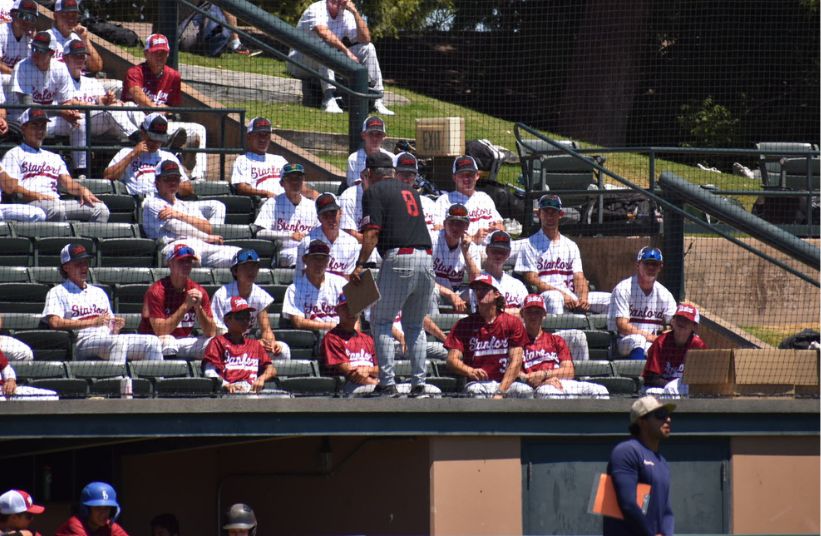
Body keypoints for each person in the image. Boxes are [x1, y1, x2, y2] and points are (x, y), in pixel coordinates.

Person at [352, 152, 434, 397]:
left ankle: (387, 384)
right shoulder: (411, 192)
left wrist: (359, 264)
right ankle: (419, 384)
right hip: (426, 260)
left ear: (370, 173)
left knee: (381, 321)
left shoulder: (374, 192)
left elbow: (371, 234)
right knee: (414, 325)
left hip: (400, 260)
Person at [42, 243, 163, 363]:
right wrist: (92, 322)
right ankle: (118, 381)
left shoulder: (98, 292)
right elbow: (55, 323)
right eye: (78, 264)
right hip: (81, 342)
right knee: (118, 342)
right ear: (66, 267)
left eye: (85, 263)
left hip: (107, 340)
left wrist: (115, 328)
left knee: (152, 342)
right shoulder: (57, 291)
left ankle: (158, 380)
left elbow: (109, 324)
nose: (84, 268)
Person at [105, 113, 225, 223]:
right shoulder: (125, 152)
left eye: (159, 139)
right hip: (147, 204)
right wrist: (133, 155)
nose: (155, 143)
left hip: (174, 204)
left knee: (217, 206)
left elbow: (188, 189)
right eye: (152, 138)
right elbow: (107, 176)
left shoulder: (168, 156)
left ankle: (212, 242)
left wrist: (172, 185)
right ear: (143, 133)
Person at [121, 33, 207, 179]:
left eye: (164, 53)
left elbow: (172, 105)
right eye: (156, 53)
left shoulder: (173, 76)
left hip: (162, 126)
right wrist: (155, 108)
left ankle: (199, 177)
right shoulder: (135, 72)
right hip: (137, 126)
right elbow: (136, 93)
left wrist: (165, 109)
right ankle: (169, 140)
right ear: (146, 53)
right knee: (130, 107)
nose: (160, 56)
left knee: (199, 129)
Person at [1, 107, 109, 222]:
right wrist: (36, 195)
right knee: (56, 210)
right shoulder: (14, 154)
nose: (40, 131)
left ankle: (84, 240)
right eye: (34, 126)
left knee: (101, 210)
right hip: (29, 204)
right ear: (23, 128)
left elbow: (68, 183)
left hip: (55, 202)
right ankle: (59, 240)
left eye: (43, 126)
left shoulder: (54, 157)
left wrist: (82, 190)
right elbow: (10, 188)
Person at [288, 0, 393, 115]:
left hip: (327, 61)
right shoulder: (316, 8)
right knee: (325, 48)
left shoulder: (346, 15)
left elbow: (365, 39)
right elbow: (324, 33)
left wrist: (355, 12)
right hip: (300, 62)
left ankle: (377, 99)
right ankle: (328, 99)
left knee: (369, 48)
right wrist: (346, 51)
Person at [515, 194, 610, 314]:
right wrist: (562, 294)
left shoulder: (570, 245)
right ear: (539, 214)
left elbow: (579, 276)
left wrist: (583, 297)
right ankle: (558, 332)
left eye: (553, 212)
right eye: (546, 212)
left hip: (570, 295)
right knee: (555, 298)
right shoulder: (529, 244)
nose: (550, 216)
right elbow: (531, 278)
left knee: (610, 299)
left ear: (560, 215)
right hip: (545, 296)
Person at [61, 38, 141, 175]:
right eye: (76, 56)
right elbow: (66, 103)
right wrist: (100, 105)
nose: (80, 59)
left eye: (82, 56)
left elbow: (102, 101)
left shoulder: (91, 82)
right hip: (71, 122)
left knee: (130, 105)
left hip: (96, 122)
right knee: (86, 119)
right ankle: (139, 138)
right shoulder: (60, 79)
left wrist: (108, 99)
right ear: (65, 58)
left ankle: (146, 133)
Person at [445, 275, 530, 398]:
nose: (479, 292)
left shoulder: (512, 322)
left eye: (484, 289)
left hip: (506, 382)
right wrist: (470, 371)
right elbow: (451, 360)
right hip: (479, 383)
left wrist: (500, 391)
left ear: (496, 294)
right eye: (477, 289)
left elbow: (516, 362)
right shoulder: (464, 324)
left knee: (524, 391)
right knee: (474, 391)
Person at [142, 160, 239, 268]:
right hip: (173, 246)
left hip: (201, 244)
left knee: (239, 255)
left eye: (176, 178)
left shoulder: (186, 205)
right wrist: (207, 238)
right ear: (157, 182)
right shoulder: (152, 203)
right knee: (189, 259)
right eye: (167, 179)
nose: (173, 182)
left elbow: (207, 228)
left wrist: (179, 215)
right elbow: (177, 227)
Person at [603, 396, 675, 536]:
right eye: (660, 415)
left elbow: (666, 510)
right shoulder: (626, 452)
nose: (668, 419)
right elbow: (628, 504)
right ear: (642, 421)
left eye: (668, 415)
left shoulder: (662, 461)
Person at [519, 294, 609, 398]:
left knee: (600, 391)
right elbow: (517, 374)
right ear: (522, 314)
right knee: (549, 393)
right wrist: (540, 381)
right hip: (539, 388)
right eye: (529, 312)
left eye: (537, 312)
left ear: (544, 314)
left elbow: (569, 371)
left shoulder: (556, 340)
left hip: (561, 382)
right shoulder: (516, 343)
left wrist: (545, 375)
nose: (533, 316)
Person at [138, 244, 216, 358]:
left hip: (184, 341)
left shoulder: (198, 291)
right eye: (181, 261)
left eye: (189, 261)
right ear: (170, 263)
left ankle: (211, 375)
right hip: (154, 343)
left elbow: (211, 332)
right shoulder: (157, 291)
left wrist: (198, 308)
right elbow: (161, 331)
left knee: (214, 343)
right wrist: (185, 306)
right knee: (168, 341)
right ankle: (170, 375)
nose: (186, 265)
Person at [210, 249, 291, 359]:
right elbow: (219, 332)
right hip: (226, 344)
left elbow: (266, 329)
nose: (250, 271)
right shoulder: (221, 295)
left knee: (283, 349)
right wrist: (253, 343)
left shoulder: (260, 294)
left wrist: (271, 343)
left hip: (246, 344)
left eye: (254, 267)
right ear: (235, 271)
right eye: (245, 267)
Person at [608, 247, 677, 360]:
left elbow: (675, 323)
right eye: (647, 263)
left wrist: (668, 333)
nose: (651, 267)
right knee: (638, 340)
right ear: (638, 265)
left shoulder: (665, 294)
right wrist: (651, 337)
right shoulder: (624, 289)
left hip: (651, 342)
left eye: (655, 264)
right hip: (623, 341)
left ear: (660, 267)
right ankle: (637, 376)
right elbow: (622, 326)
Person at [203, 296, 280, 395]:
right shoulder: (217, 342)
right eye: (240, 317)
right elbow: (209, 370)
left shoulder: (255, 344)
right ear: (227, 320)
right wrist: (225, 384)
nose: (245, 321)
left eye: (247, 317)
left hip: (252, 392)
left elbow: (271, 369)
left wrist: (261, 379)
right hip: (228, 393)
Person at [254, 163, 319, 268]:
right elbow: (259, 233)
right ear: (282, 183)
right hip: (285, 251)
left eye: (299, 178)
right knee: (296, 257)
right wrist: (290, 235)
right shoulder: (273, 203)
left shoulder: (312, 206)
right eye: (290, 178)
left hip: (310, 251)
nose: (295, 182)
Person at [433, 155, 504, 244]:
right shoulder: (445, 200)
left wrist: (497, 227)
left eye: (470, 175)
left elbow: (500, 224)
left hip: (491, 250)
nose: (466, 179)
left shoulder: (484, 198)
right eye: (462, 175)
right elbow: (438, 230)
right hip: (461, 251)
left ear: (477, 176)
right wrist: (473, 238)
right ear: (454, 178)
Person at [643, 303, 707, 397]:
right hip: (659, 388)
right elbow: (651, 378)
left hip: (684, 388)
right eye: (679, 318)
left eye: (686, 320)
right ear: (673, 321)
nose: (681, 322)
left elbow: (703, 378)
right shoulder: (661, 342)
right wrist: (671, 387)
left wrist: (675, 387)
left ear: (694, 326)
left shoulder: (698, 346)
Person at [282, 240, 346, 330]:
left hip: (343, 337)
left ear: (328, 261)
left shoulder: (341, 283)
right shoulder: (294, 290)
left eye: (323, 258)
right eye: (315, 258)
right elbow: (298, 322)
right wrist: (334, 327)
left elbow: (355, 314)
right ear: (305, 259)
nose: (319, 263)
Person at [430, 203, 481, 313]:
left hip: (458, 292)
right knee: (429, 291)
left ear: (467, 226)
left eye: (460, 223)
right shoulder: (432, 240)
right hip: (436, 291)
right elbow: (424, 278)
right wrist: (450, 295)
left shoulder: (472, 248)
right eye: (452, 222)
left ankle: (474, 326)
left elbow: (477, 280)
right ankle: (433, 329)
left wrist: (465, 252)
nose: (455, 227)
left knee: (480, 291)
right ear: (444, 224)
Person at [295, 192, 359, 278]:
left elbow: (348, 279)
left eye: (333, 213)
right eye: (325, 215)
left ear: (340, 213)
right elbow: (300, 277)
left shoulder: (351, 243)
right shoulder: (307, 242)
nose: (330, 219)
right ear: (319, 218)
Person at [468, 230, 527, 314]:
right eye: (495, 251)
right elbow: (484, 315)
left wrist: (499, 311)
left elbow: (527, 315)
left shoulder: (518, 285)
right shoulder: (479, 283)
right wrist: (516, 312)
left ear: (509, 253)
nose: (499, 255)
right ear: (487, 250)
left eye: (503, 252)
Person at [231, 116, 286, 198]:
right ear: (249, 137)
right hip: (263, 203)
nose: (263, 140)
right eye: (259, 135)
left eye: (266, 135)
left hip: (286, 203)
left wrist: (310, 192)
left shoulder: (280, 160)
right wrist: (265, 193)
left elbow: (295, 181)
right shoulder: (243, 160)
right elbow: (242, 188)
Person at [46, 0, 103, 72]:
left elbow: (97, 67)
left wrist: (85, 40)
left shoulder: (78, 38)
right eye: (65, 15)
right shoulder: (47, 38)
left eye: (73, 15)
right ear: (55, 16)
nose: (70, 20)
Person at [55, 482, 129, 536]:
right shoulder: (74, 525)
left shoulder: (109, 526)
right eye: (98, 508)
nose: (104, 513)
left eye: (107, 508)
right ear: (87, 510)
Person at [394, 151, 438, 236]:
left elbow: (439, 227)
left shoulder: (428, 204)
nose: (406, 179)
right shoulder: (386, 203)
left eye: (410, 175)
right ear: (394, 174)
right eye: (402, 174)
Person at [344, 116, 395, 188]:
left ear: (384, 137)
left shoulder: (391, 158)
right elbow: (353, 186)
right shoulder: (354, 159)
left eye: (378, 134)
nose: (374, 138)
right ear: (363, 135)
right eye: (371, 134)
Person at [0, 0, 36, 77]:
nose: (27, 21)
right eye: (22, 15)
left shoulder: (30, 39)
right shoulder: (2, 31)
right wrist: (15, 73)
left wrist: (36, 41)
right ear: (13, 14)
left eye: (31, 18)